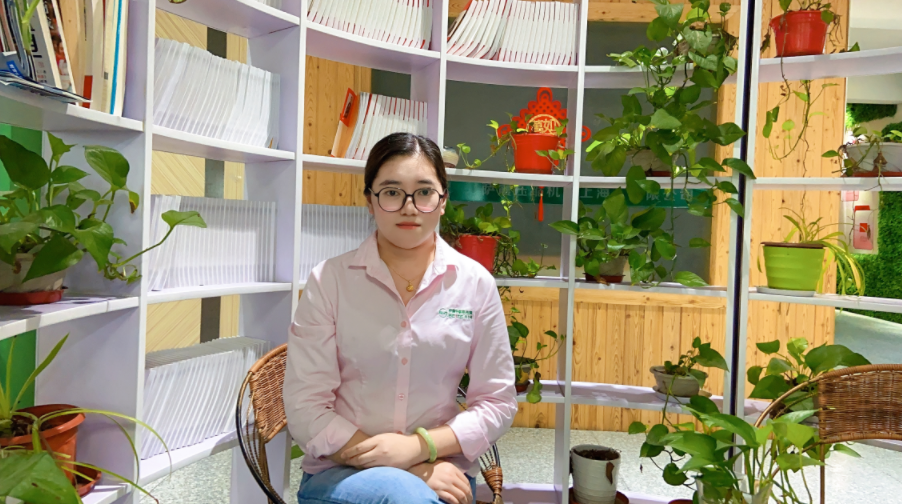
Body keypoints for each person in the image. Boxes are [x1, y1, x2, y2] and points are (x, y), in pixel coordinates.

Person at [284, 132, 518, 504]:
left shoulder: (474, 284)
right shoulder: (330, 281)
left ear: (443, 200)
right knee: (405, 496)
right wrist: (409, 468)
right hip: (341, 469)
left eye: (424, 192)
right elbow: (304, 405)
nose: (410, 208)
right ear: (369, 201)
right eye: (392, 192)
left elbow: (497, 401)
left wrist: (418, 449)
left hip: (443, 470)